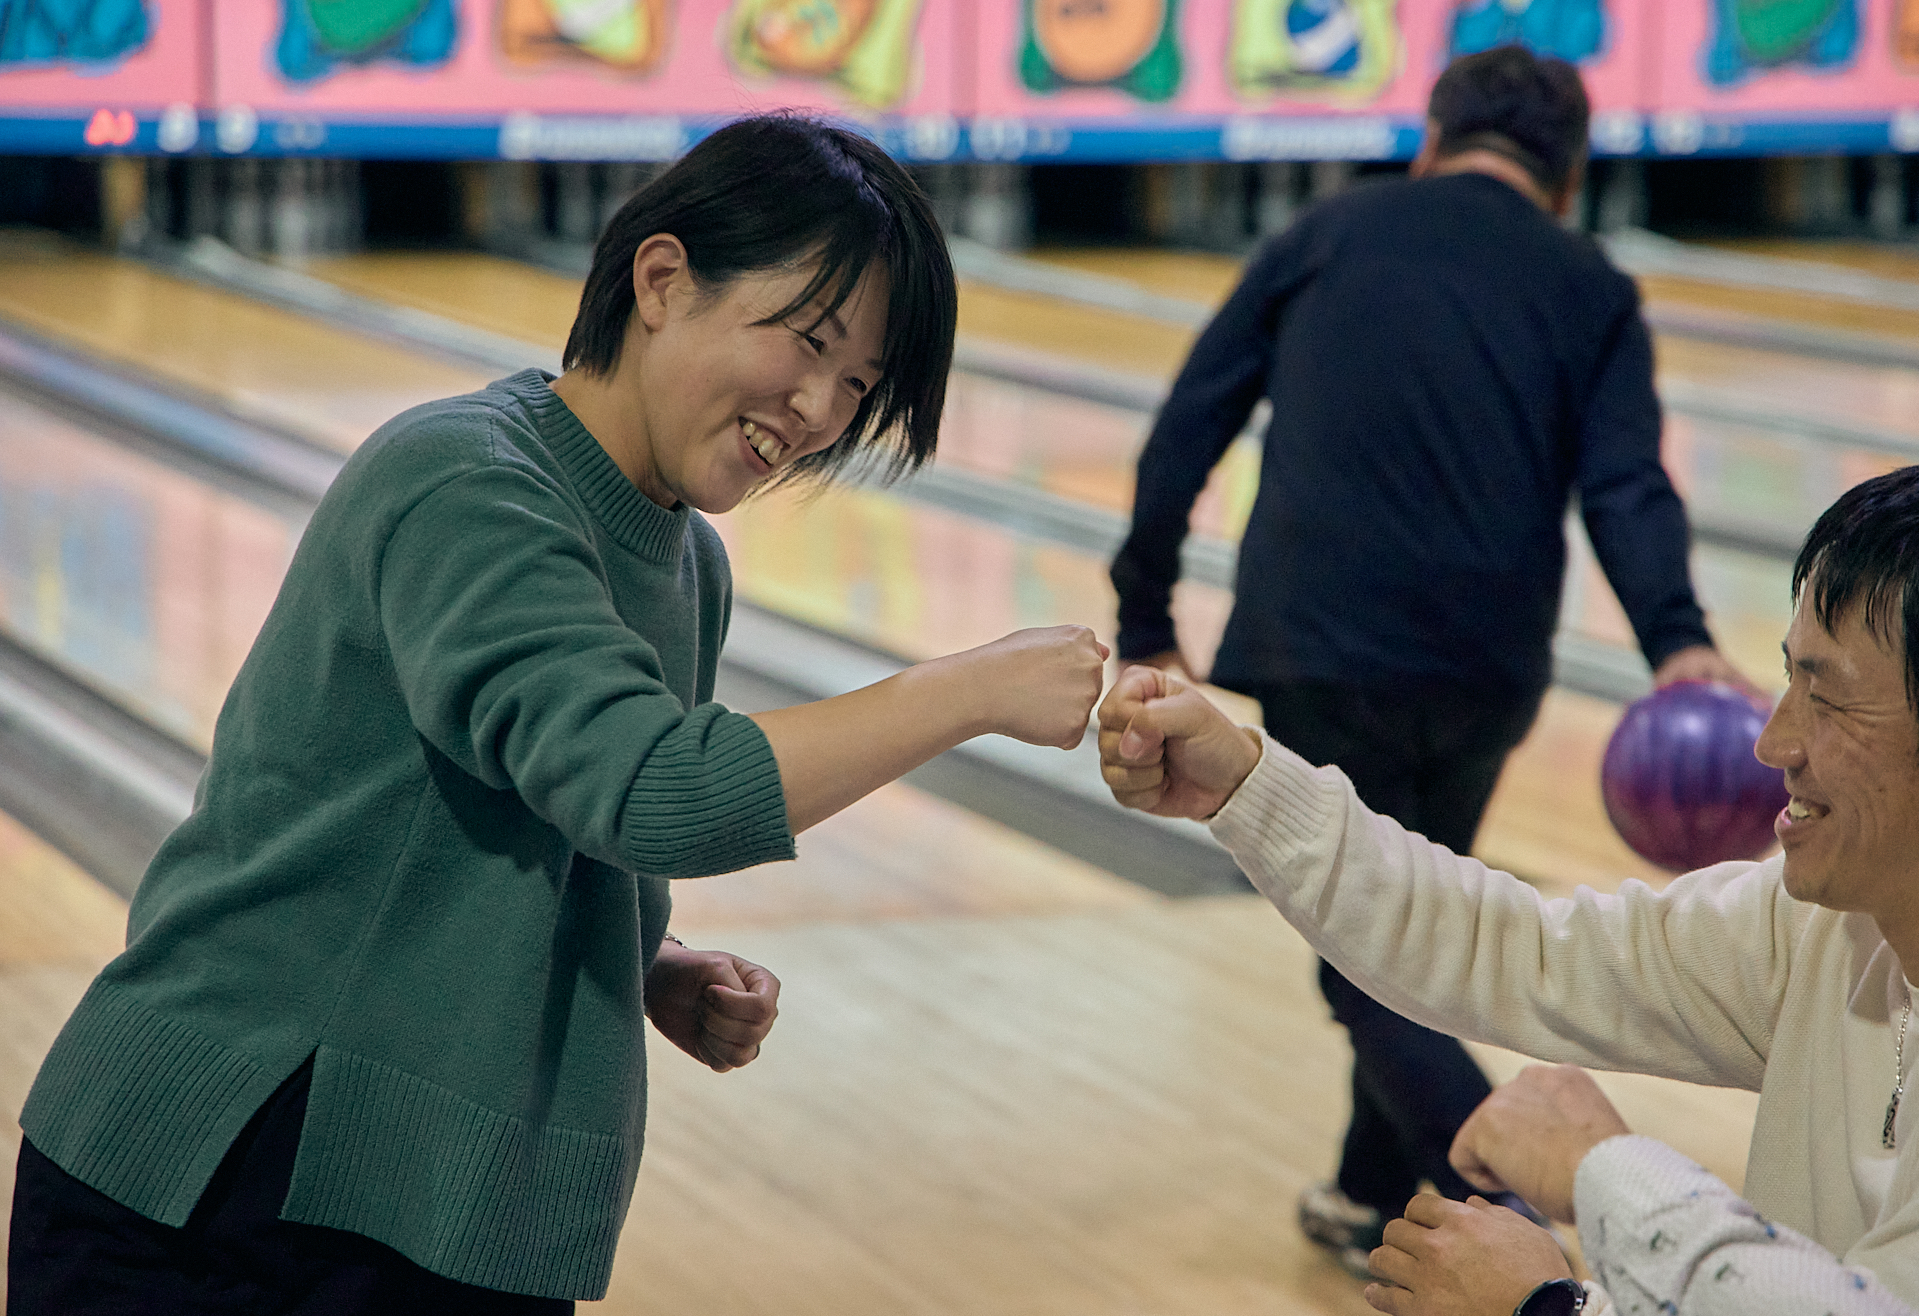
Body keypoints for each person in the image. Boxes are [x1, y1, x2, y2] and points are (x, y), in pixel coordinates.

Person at [7, 115, 1110, 1314]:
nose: (817, 408)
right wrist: (966, 689)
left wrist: (637, 959)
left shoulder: (686, 559)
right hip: (230, 1181)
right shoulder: (467, 480)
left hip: (448, 1203)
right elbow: (651, 790)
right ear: (662, 281)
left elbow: (521, 816)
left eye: (858, 383)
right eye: (806, 340)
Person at [1099, 450, 1919, 1315]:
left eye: (1829, 696)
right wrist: (1246, 785)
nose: (1773, 742)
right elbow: (1514, 948)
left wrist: (1592, 1203)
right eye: (1788, 683)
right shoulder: (1832, 931)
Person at [1107, 42, 1751, 1267]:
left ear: (1427, 143)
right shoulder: (1589, 282)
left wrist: (1145, 612)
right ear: (1568, 178)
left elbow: (1187, 423)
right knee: (1403, 932)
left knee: (1370, 954)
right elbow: (1624, 484)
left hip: (1319, 645)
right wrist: (1677, 641)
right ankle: (1370, 1196)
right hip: (1485, 671)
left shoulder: (1325, 233)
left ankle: (1511, 1219)